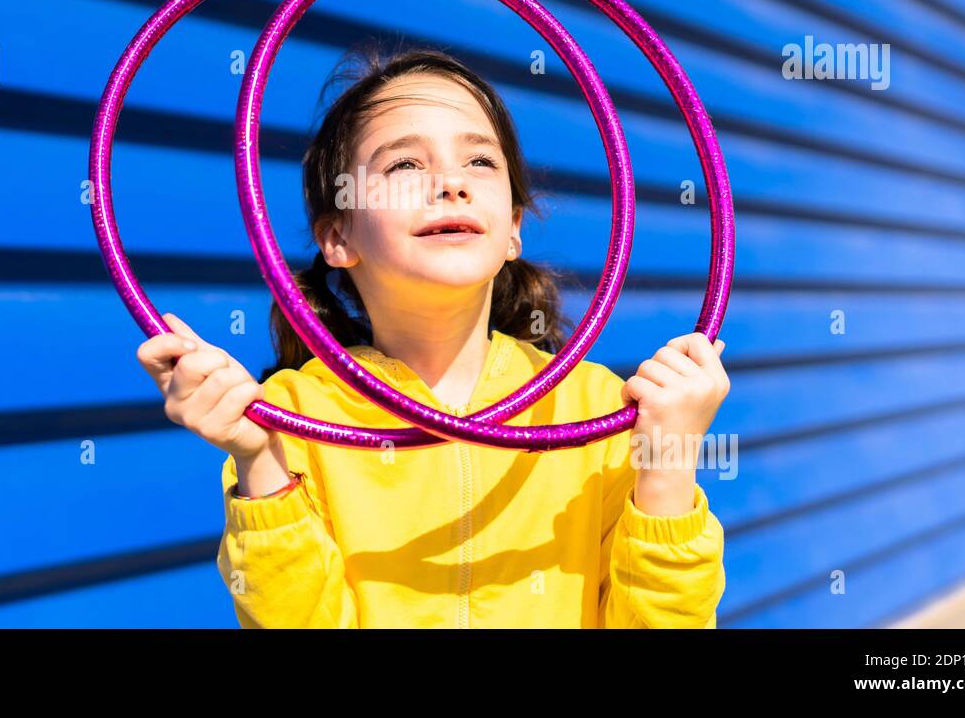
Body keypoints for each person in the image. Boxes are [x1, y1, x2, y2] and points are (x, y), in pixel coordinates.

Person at [137, 45, 730, 627]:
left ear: (513, 230)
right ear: (339, 236)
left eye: (479, 162)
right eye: (404, 165)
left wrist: (667, 461)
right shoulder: (287, 421)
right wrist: (259, 460)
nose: (451, 184)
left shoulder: (596, 408)